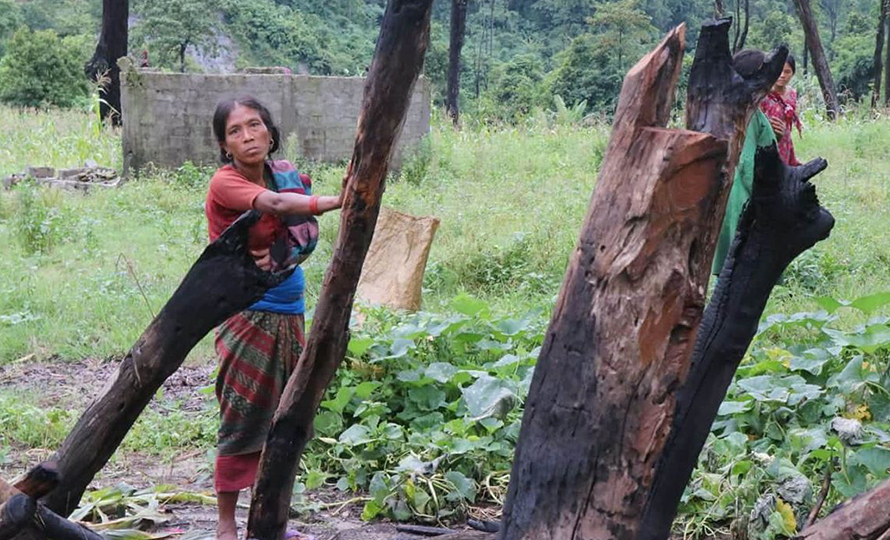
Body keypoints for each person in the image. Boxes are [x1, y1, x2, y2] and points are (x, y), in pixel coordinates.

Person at [205, 96, 341, 540]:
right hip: (245, 313)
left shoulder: (286, 173)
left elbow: (302, 235)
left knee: (284, 421)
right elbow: (280, 207)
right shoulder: (226, 183)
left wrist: (290, 239)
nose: (247, 137)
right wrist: (341, 199)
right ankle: (227, 525)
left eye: (255, 125)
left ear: (269, 131)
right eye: (235, 131)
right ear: (224, 145)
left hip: (290, 309)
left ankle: (270, 522)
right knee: (241, 417)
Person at [712, 50, 779, 275]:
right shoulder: (747, 114)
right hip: (742, 198)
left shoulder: (732, 109)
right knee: (740, 271)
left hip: (729, 195)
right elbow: (747, 162)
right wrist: (767, 197)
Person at [760, 53, 802, 166]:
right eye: (779, 70)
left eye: (787, 72)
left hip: (786, 142)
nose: (782, 75)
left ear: (793, 73)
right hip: (767, 143)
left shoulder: (792, 94)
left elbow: (789, 123)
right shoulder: (763, 95)